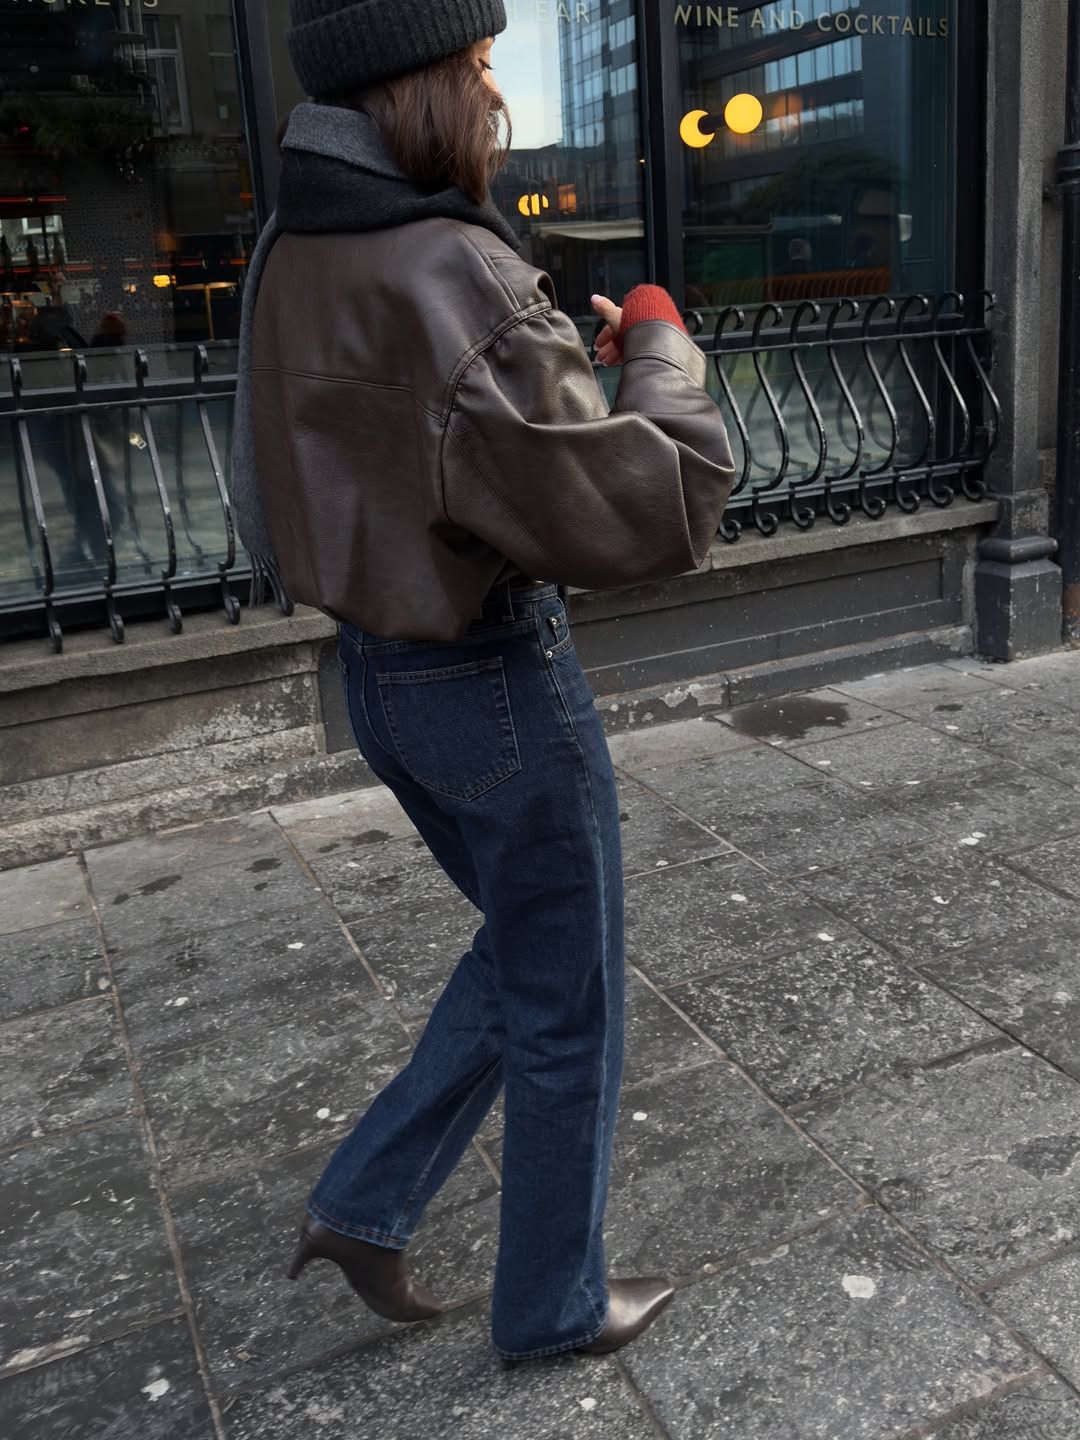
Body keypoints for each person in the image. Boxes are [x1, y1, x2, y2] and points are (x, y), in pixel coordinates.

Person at [231, 0, 735, 1364]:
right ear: (422, 87)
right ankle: (555, 1306)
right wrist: (655, 349)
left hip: (382, 680)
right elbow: (655, 510)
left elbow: (382, 440)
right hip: (497, 682)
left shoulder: (296, 241)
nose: (493, 91)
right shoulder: (454, 262)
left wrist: (534, 367)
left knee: (527, 953)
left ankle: (368, 1206)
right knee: (570, 994)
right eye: (477, 64)